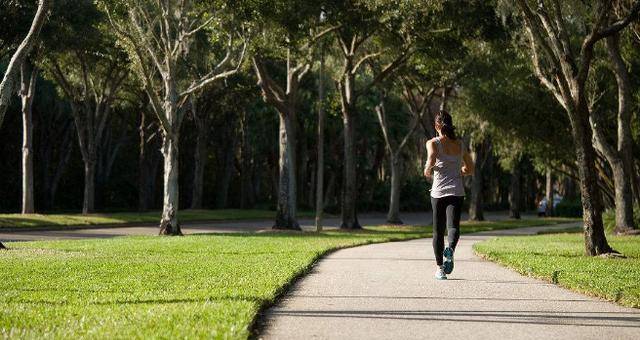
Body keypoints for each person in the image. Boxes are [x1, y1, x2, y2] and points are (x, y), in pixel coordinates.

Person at [424, 110, 474, 280]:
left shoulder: (433, 143)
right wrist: (460, 170)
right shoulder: (460, 145)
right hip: (456, 191)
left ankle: (440, 269)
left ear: (437, 125)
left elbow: (431, 159)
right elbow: (470, 168)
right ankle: (450, 250)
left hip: (438, 193)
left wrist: (427, 170)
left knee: (438, 231)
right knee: (453, 227)